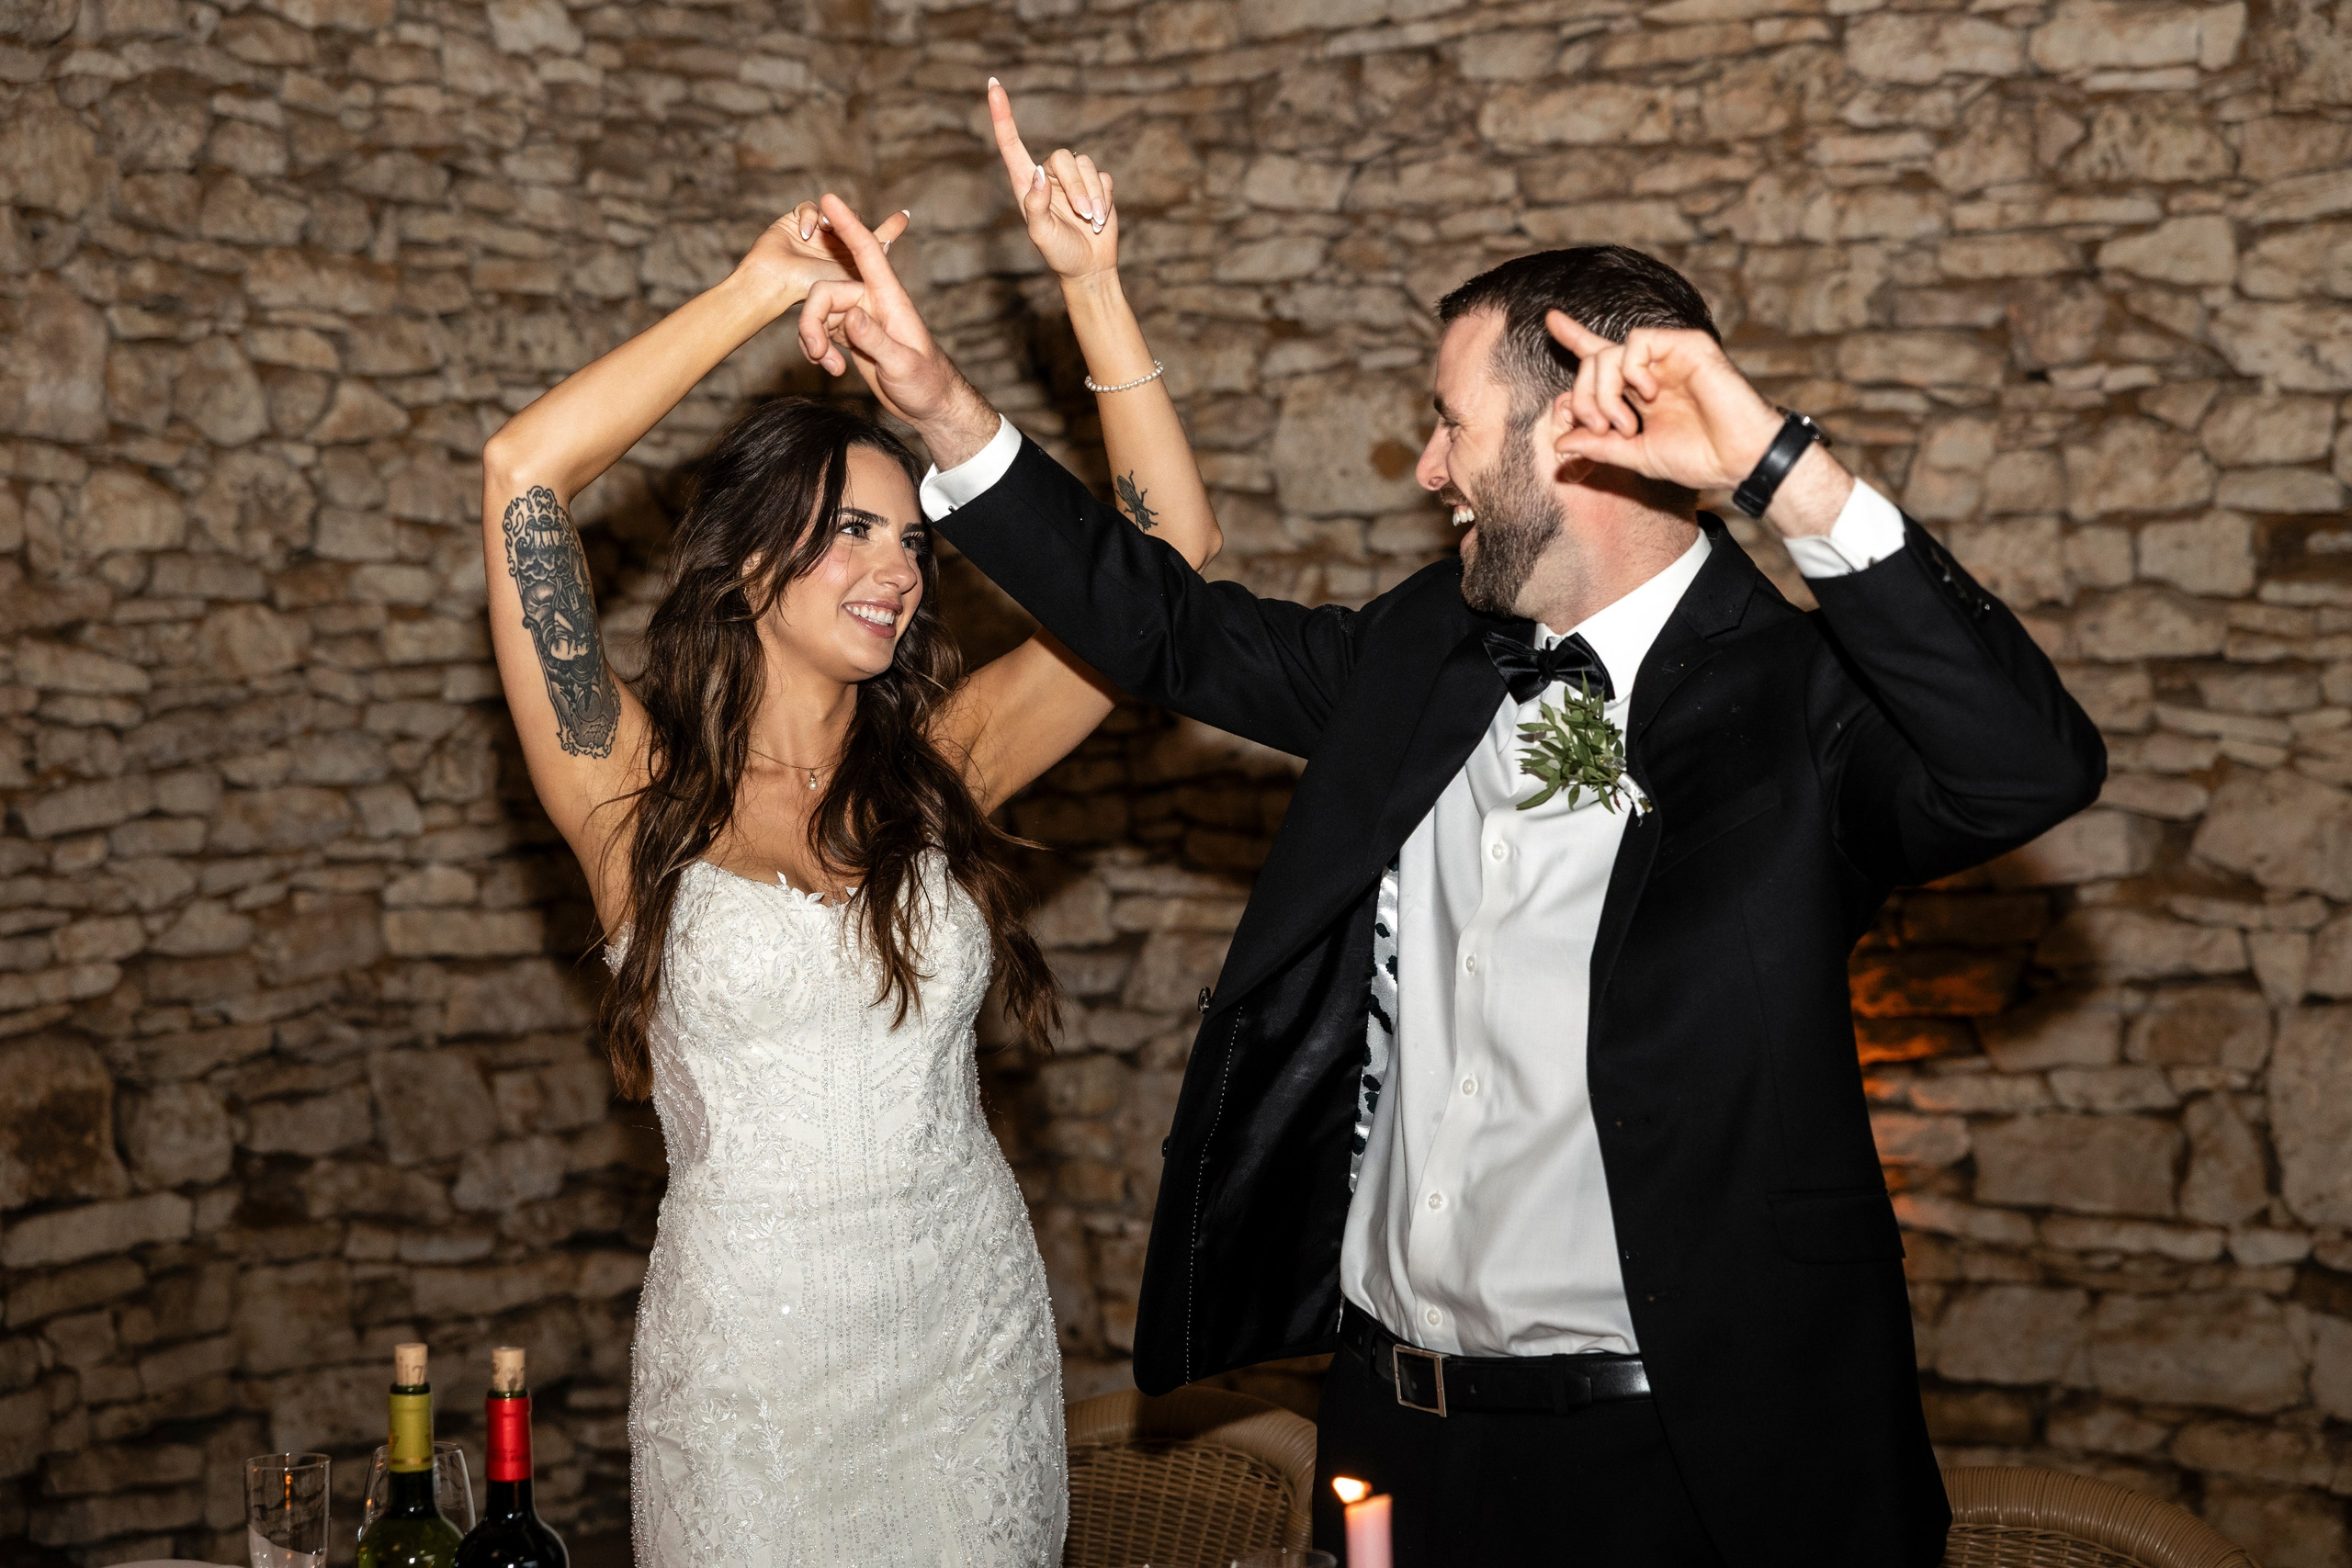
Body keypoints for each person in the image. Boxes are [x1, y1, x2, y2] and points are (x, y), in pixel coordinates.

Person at [799, 181, 2105, 1563]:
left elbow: (2028, 769)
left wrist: (1783, 470)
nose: (1427, 470)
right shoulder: (1419, 651)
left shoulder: (1802, 702)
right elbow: (1169, 632)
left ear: (1583, 438)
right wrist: (940, 405)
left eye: (1452, 426)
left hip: (1681, 1463)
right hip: (1389, 1435)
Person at [479, 145, 1220, 1564]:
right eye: (853, 535)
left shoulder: (944, 765)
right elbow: (523, 476)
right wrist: (754, 296)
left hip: (965, 1357)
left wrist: (1094, 287)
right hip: (748, 1382)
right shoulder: (635, 800)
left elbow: (1167, 563)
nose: (898, 567)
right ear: (753, 565)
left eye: (915, 540)